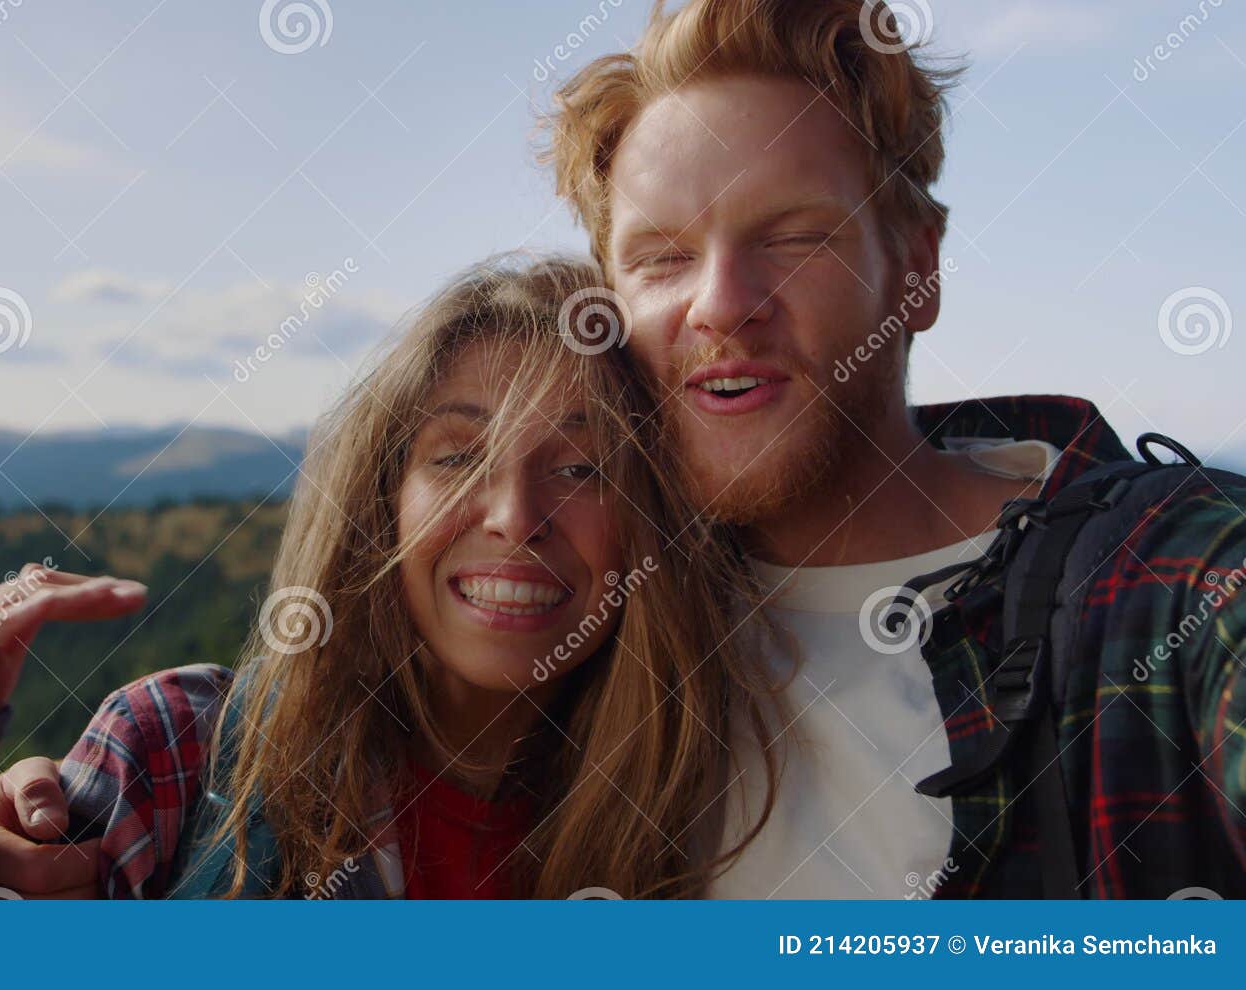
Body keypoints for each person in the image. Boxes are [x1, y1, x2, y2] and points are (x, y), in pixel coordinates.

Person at [0, 254, 786, 900]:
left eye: (582, 465)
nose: (516, 518)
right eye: (457, 456)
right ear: (382, 499)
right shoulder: (184, 753)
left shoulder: (708, 811)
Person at [528, 0, 1246, 897]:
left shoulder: (1167, 587)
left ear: (916, 268)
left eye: (794, 238)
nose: (720, 303)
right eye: (662, 259)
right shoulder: (584, 616)